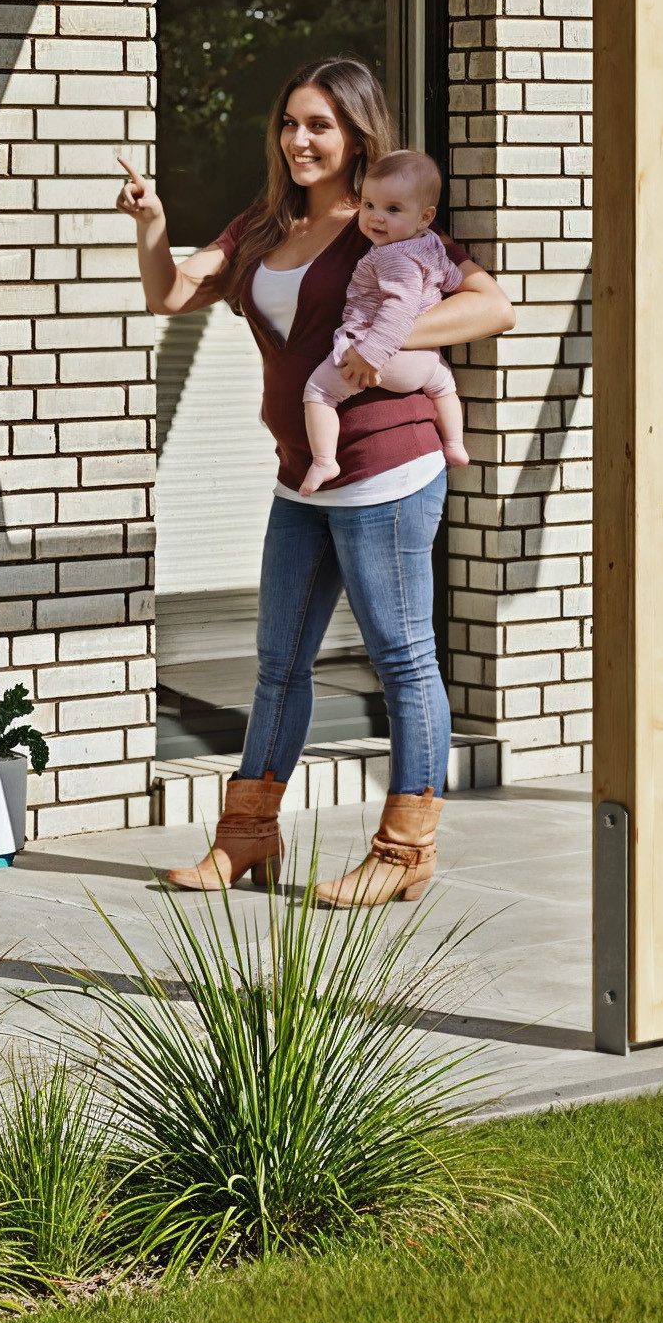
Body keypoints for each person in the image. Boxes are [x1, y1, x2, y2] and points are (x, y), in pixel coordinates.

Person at [115, 58, 512, 905]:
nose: (299, 139)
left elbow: (493, 306)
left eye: (319, 126)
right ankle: (247, 839)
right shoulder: (263, 225)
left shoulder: (390, 227)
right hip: (302, 475)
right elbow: (169, 294)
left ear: (357, 135)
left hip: (389, 469)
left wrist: (387, 343)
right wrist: (153, 223)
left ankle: (405, 854)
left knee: (404, 661)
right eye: (291, 123)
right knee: (277, 665)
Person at [299, 149, 473, 491]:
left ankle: (324, 461)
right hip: (425, 361)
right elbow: (451, 278)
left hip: (384, 359)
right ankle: (453, 444)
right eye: (368, 205)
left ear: (425, 216)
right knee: (445, 386)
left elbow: (398, 309)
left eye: (392, 209)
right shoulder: (430, 245)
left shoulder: (393, 257)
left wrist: (370, 354)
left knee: (318, 392)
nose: (376, 218)